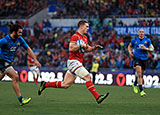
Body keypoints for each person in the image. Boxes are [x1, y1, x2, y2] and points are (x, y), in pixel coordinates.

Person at [38, 20, 109, 104]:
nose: (88, 28)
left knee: (65, 85)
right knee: (88, 77)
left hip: (78, 62)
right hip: (73, 62)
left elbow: (87, 48)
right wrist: (79, 45)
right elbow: (71, 48)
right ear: (81, 26)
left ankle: (45, 84)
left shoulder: (85, 37)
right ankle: (97, 97)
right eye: (87, 26)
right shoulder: (75, 36)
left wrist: (94, 48)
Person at [0, 24, 41, 105]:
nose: (21, 34)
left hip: (8, 61)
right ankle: (21, 99)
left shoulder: (19, 39)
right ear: (14, 32)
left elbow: (28, 49)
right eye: (19, 32)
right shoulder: (5, 40)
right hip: (2, 61)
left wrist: (35, 60)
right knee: (15, 76)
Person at [128, 29, 154, 97]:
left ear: (144, 33)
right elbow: (129, 46)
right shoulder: (135, 40)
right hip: (137, 58)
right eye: (140, 32)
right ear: (138, 33)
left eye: (142, 32)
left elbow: (152, 49)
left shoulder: (147, 40)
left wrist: (146, 49)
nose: (141, 33)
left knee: (141, 75)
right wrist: (130, 52)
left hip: (144, 59)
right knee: (139, 74)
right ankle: (141, 90)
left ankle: (135, 83)